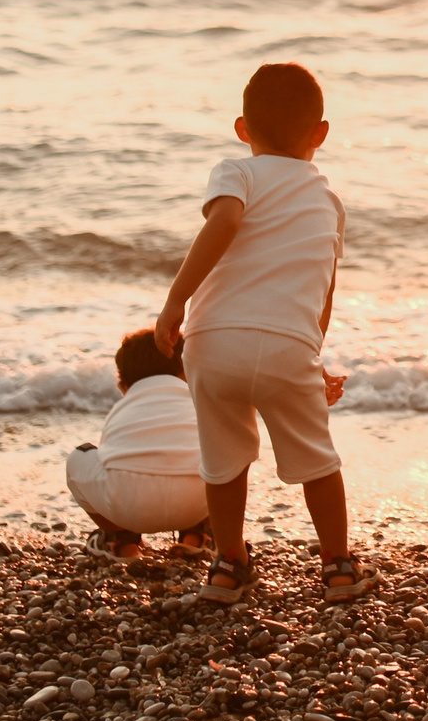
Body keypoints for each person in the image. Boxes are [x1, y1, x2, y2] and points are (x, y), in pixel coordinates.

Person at [153, 61, 368, 604]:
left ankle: (228, 566)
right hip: (289, 346)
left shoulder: (237, 172)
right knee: (317, 458)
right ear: (320, 133)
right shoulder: (329, 203)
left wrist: (175, 301)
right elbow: (324, 292)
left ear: (243, 127)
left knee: (223, 459)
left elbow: (222, 223)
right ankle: (338, 567)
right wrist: (310, 359)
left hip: (213, 340)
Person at [63, 329, 215, 559]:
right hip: (195, 506)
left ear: (122, 381)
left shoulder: (125, 407)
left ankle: (121, 540)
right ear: (187, 369)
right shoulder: (199, 400)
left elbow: (109, 457)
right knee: (220, 453)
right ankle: (197, 537)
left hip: (129, 509)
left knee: (79, 456)